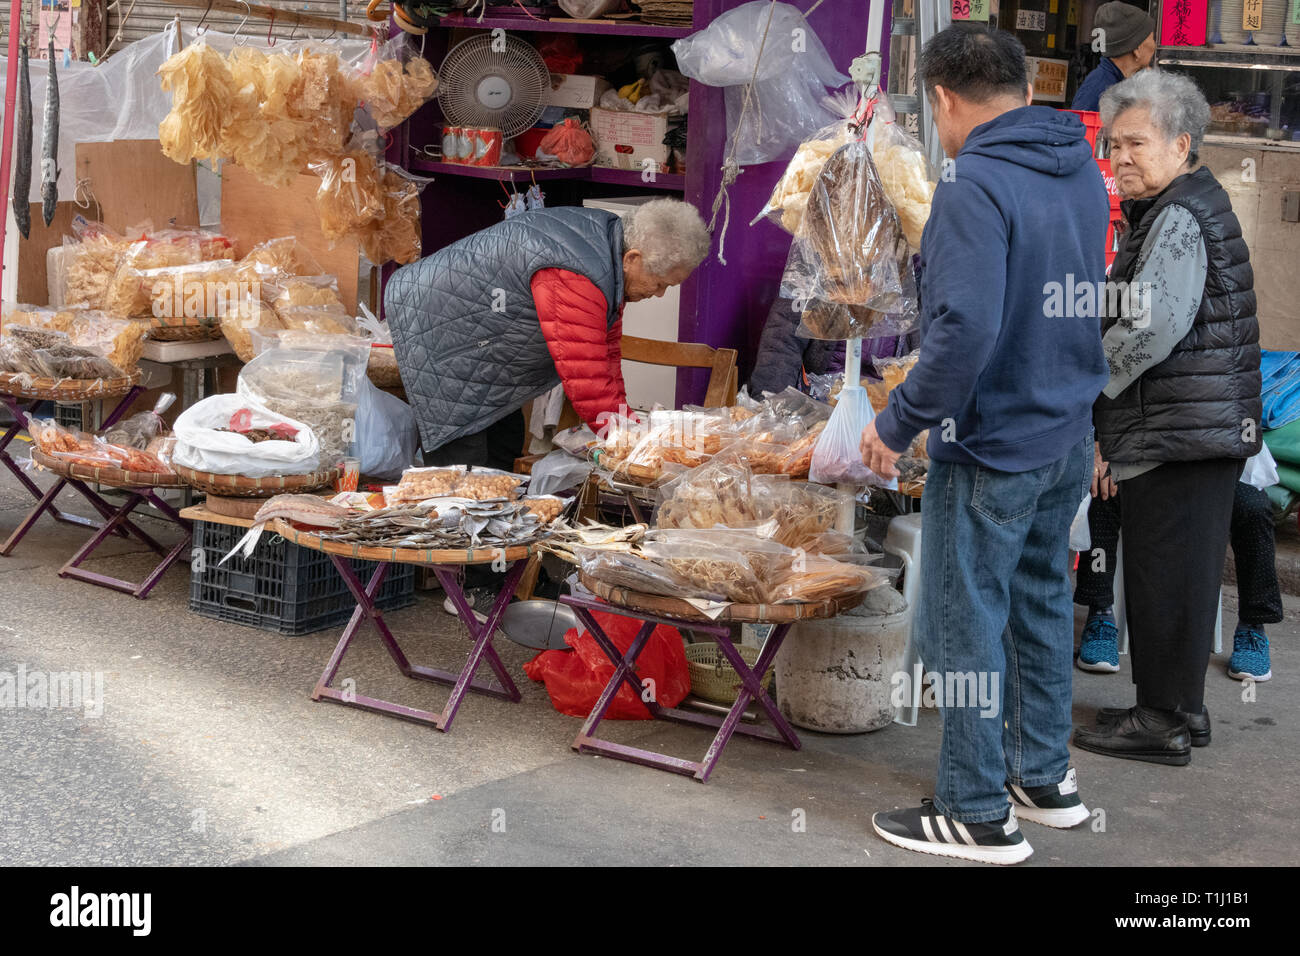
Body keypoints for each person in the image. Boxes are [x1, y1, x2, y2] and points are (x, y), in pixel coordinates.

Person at [859, 23, 1109, 864]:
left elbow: (963, 331)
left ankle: (974, 809)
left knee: (965, 624)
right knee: (1038, 609)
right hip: (1064, 430)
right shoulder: (1075, 164)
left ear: (941, 99)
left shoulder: (973, 183)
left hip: (995, 441)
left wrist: (897, 425)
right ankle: (1043, 780)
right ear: (1026, 87)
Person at [1072, 70, 1261, 767]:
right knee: (1176, 576)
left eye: (1137, 144)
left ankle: (1161, 722)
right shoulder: (1178, 204)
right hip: (1192, 426)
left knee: (1164, 576)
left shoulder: (1180, 215)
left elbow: (1152, 329)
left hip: (1183, 430)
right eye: (1114, 145)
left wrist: (1091, 385)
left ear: (1182, 144)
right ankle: (1180, 711)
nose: (1121, 158)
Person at [385, 199, 711, 472]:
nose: (659, 294)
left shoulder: (607, 250)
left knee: (503, 450)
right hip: (443, 335)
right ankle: (458, 545)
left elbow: (604, 354)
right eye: (660, 283)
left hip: (482, 346)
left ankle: (497, 542)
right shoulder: (577, 271)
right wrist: (631, 446)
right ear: (633, 259)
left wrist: (629, 432)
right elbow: (586, 377)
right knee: (462, 474)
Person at [1074, 453, 1281, 693]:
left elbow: (1243, 425)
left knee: (1254, 508)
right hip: (1142, 459)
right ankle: (1100, 613)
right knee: (1102, 490)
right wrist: (1107, 450)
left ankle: (1253, 625)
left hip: (1212, 464)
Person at [1072, 1, 1157, 111]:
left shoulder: (1122, 82)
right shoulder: (1098, 91)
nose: (1154, 45)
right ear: (1137, 50)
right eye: (1152, 39)